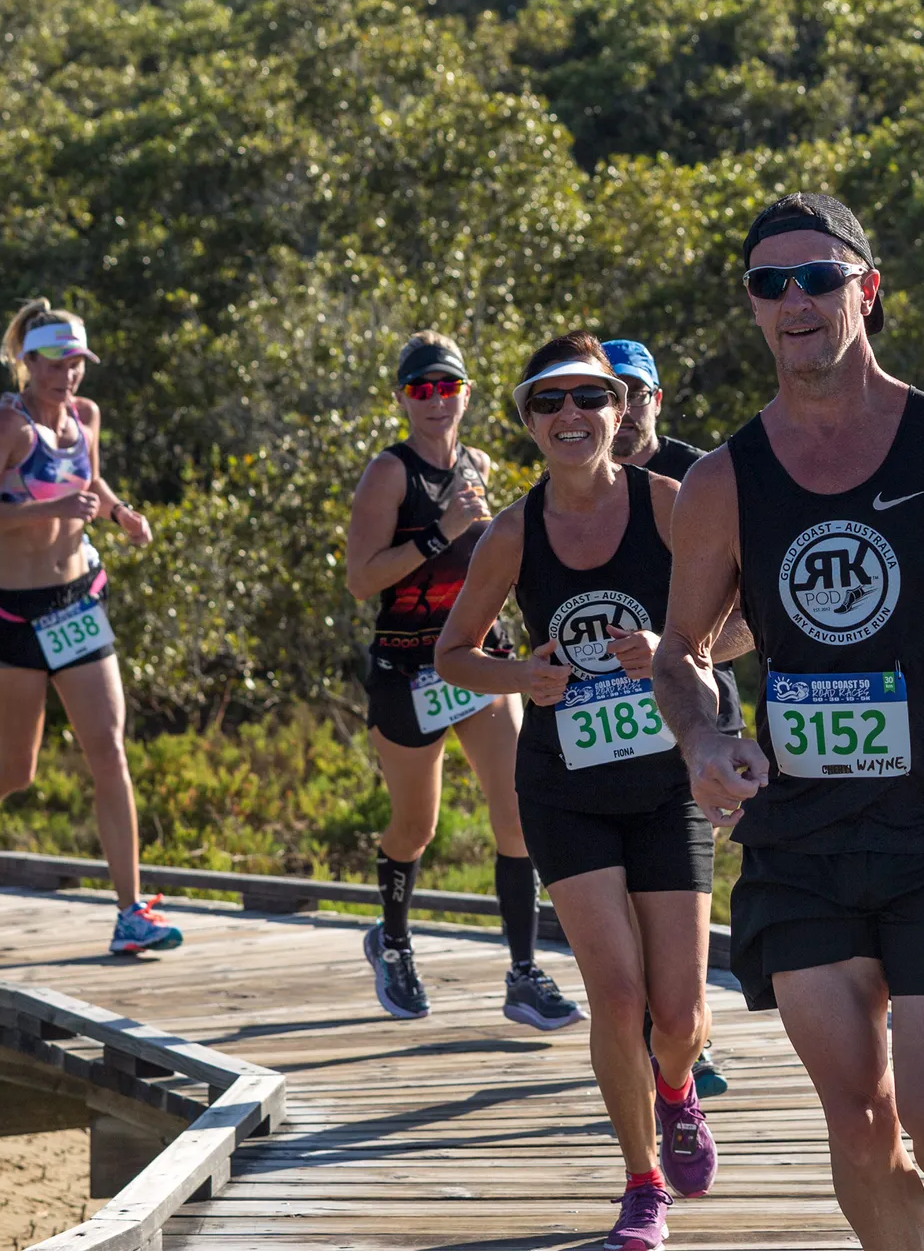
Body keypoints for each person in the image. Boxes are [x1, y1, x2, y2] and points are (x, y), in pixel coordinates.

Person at [652, 193, 924, 1251]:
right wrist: (704, 737)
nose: (795, 300)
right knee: (857, 1123)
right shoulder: (721, 480)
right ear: (754, 309)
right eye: (770, 283)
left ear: (868, 288)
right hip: (801, 836)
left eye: (818, 277)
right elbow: (679, 651)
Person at [436, 331, 751, 1251]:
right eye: (548, 402)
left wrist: (675, 649)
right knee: (616, 998)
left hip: (666, 778)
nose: (570, 416)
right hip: (566, 785)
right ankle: (641, 1181)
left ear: (621, 410)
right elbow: (454, 653)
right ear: (530, 422)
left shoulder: (669, 505)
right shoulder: (514, 531)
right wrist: (518, 679)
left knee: (682, 1014)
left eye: (588, 399)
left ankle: (679, 1090)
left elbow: (741, 619)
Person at [0, 300, 181, 956]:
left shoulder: (86, 418)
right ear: (28, 363)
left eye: (77, 365)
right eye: (56, 364)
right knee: (18, 767)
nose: (68, 377)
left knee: (108, 752)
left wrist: (120, 515)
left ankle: (129, 912)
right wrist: (57, 505)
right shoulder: (7, 426)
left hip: (74, 605)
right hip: (13, 613)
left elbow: (90, 478)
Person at [344, 329, 579, 1028]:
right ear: (402, 399)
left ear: (468, 394)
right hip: (409, 668)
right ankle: (391, 942)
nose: (436, 401)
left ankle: (523, 972)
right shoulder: (389, 474)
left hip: (477, 656)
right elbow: (362, 580)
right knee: (417, 826)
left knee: (517, 818)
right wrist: (436, 534)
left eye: (447, 387)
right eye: (422, 389)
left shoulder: (476, 464)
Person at [604, 336, 741, 1100]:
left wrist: (678, 648)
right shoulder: (576, 479)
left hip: (696, 690)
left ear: (658, 400)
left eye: (634, 395)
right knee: (635, 875)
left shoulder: (703, 475)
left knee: (693, 866)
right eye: (605, 396)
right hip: (609, 707)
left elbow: (754, 594)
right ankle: (672, 1038)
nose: (619, 413)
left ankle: (688, 1033)